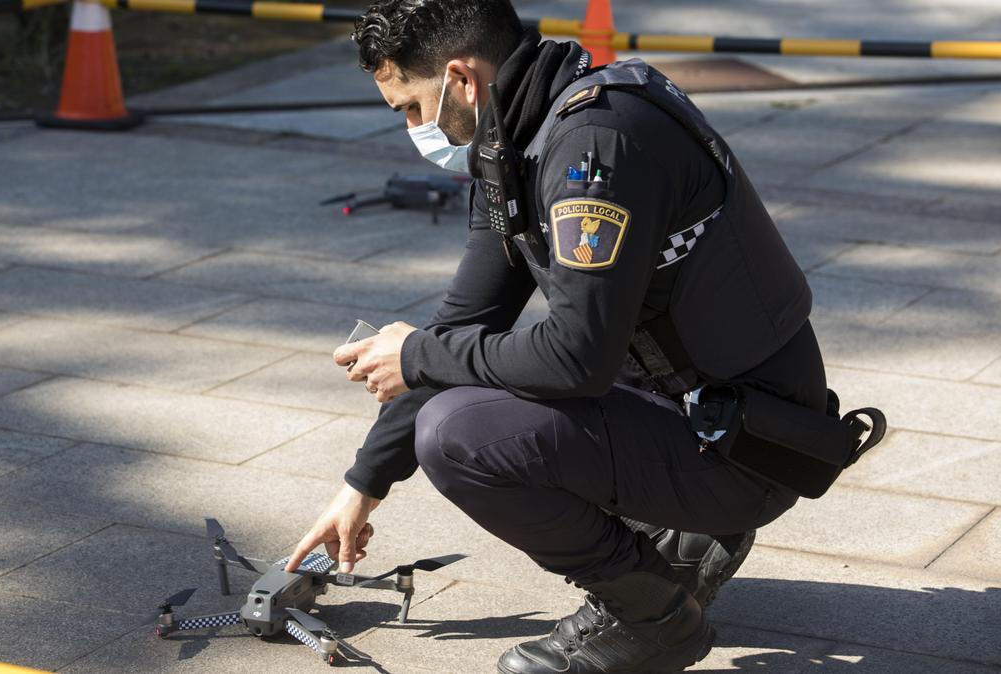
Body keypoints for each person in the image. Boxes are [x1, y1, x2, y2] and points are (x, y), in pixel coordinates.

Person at [284, 0, 836, 671]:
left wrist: (416, 354)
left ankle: (651, 617)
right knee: (456, 390)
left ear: (461, 79)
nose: (413, 128)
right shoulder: (521, 136)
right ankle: (680, 534)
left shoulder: (594, 148)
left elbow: (577, 359)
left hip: (751, 447)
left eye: (410, 106)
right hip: (702, 413)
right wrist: (361, 486)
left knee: (457, 435)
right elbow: (466, 323)